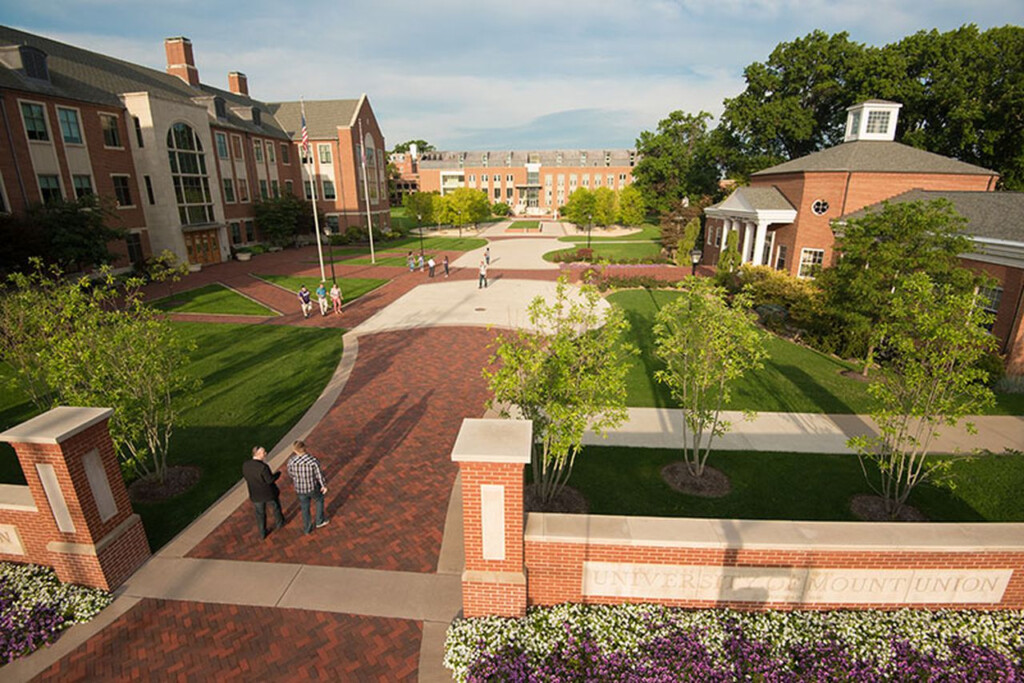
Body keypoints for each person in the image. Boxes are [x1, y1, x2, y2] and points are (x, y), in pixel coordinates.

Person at [242, 446, 285, 539]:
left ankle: (262, 532)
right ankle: (280, 523)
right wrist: (278, 474)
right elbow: (270, 480)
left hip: (255, 494)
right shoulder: (263, 467)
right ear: (258, 454)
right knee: (276, 508)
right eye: (264, 452)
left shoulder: (246, 465)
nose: (265, 453)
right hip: (269, 493)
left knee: (260, 514)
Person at [286, 440, 328, 534]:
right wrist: (323, 486)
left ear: (295, 450)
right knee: (319, 499)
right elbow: (319, 475)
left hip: (300, 488)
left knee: (305, 507)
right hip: (312, 487)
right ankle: (319, 521)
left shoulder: (291, 461)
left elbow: (290, 474)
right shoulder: (312, 461)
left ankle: (307, 528)